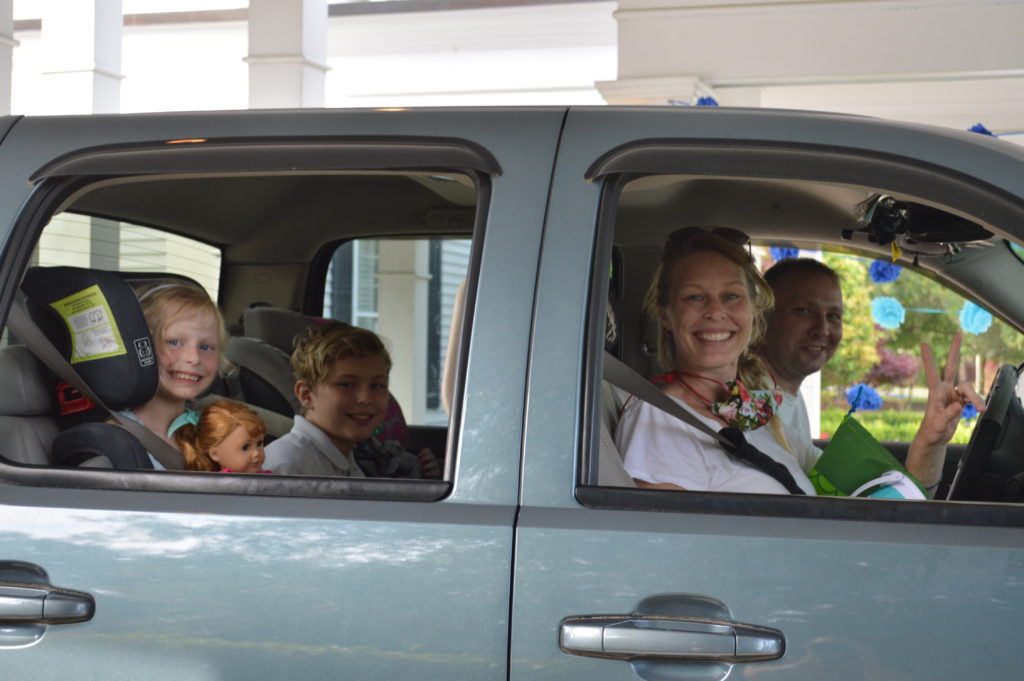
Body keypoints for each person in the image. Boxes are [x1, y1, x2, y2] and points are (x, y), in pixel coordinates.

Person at [615, 227, 982, 495]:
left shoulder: (757, 410)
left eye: (731, 296)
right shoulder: (659, 418)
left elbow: (864, 504)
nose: (715, 312)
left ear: (754, 310)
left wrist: (931, 441)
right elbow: (664, 554)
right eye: (695, 298)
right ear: (666, 315)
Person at [759, 257, 985, 494]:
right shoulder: (752, 409)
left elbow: (856, 499)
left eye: (833, 316)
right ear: (763, 316)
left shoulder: (784, 397)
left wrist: (932, 443)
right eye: (804, 311)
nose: (823, 329)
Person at [264, 321, 441, 479]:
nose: (365, 398)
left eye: (377, 386)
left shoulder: (348, 459)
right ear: (306, 395)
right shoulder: (287, 467)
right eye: (346, 385)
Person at [114, 281, 230, 469]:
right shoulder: (120, 437)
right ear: (140, 348)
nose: (193, 358)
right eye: (174, 342)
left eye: (206, 347)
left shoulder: (214, 430)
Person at [177, 400, 270, 473]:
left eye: (259, 443)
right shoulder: (225, 486)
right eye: (245, 447)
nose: (256, 453)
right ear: (215, 454)